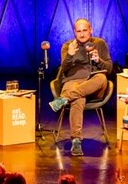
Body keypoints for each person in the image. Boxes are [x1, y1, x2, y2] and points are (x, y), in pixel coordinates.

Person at [48, 18, 113, 156]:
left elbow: (109, 69)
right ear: (74, 32)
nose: (82, 34)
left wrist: (98, 60)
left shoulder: (100, 44)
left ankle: (64, 99)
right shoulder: (67, 46)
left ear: (91, 30)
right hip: (72, 81)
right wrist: (70, 55)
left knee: (101, 78)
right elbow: (63, 69)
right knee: (78, 99)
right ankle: (76, 141)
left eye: (85, 30)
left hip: (93, 84)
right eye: (79, 31)